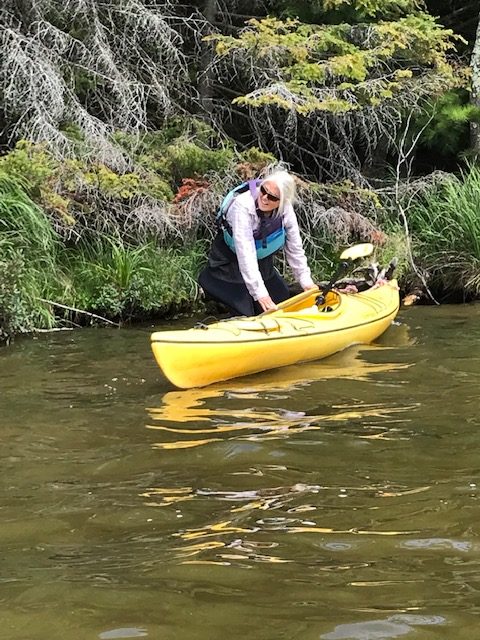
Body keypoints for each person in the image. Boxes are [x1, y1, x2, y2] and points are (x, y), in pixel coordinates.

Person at [198, 170, 316, 316]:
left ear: (283, 201)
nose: (265, 198)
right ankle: (208, 283)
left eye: (272, 197)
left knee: (282, 302)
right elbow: (246, 254)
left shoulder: (286, 209)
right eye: (263, 190)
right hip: (228, 262)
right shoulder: (242, 205)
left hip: (262, 262)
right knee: (247, 313)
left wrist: (306, 283)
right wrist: (261, 295)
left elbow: (295, 249)